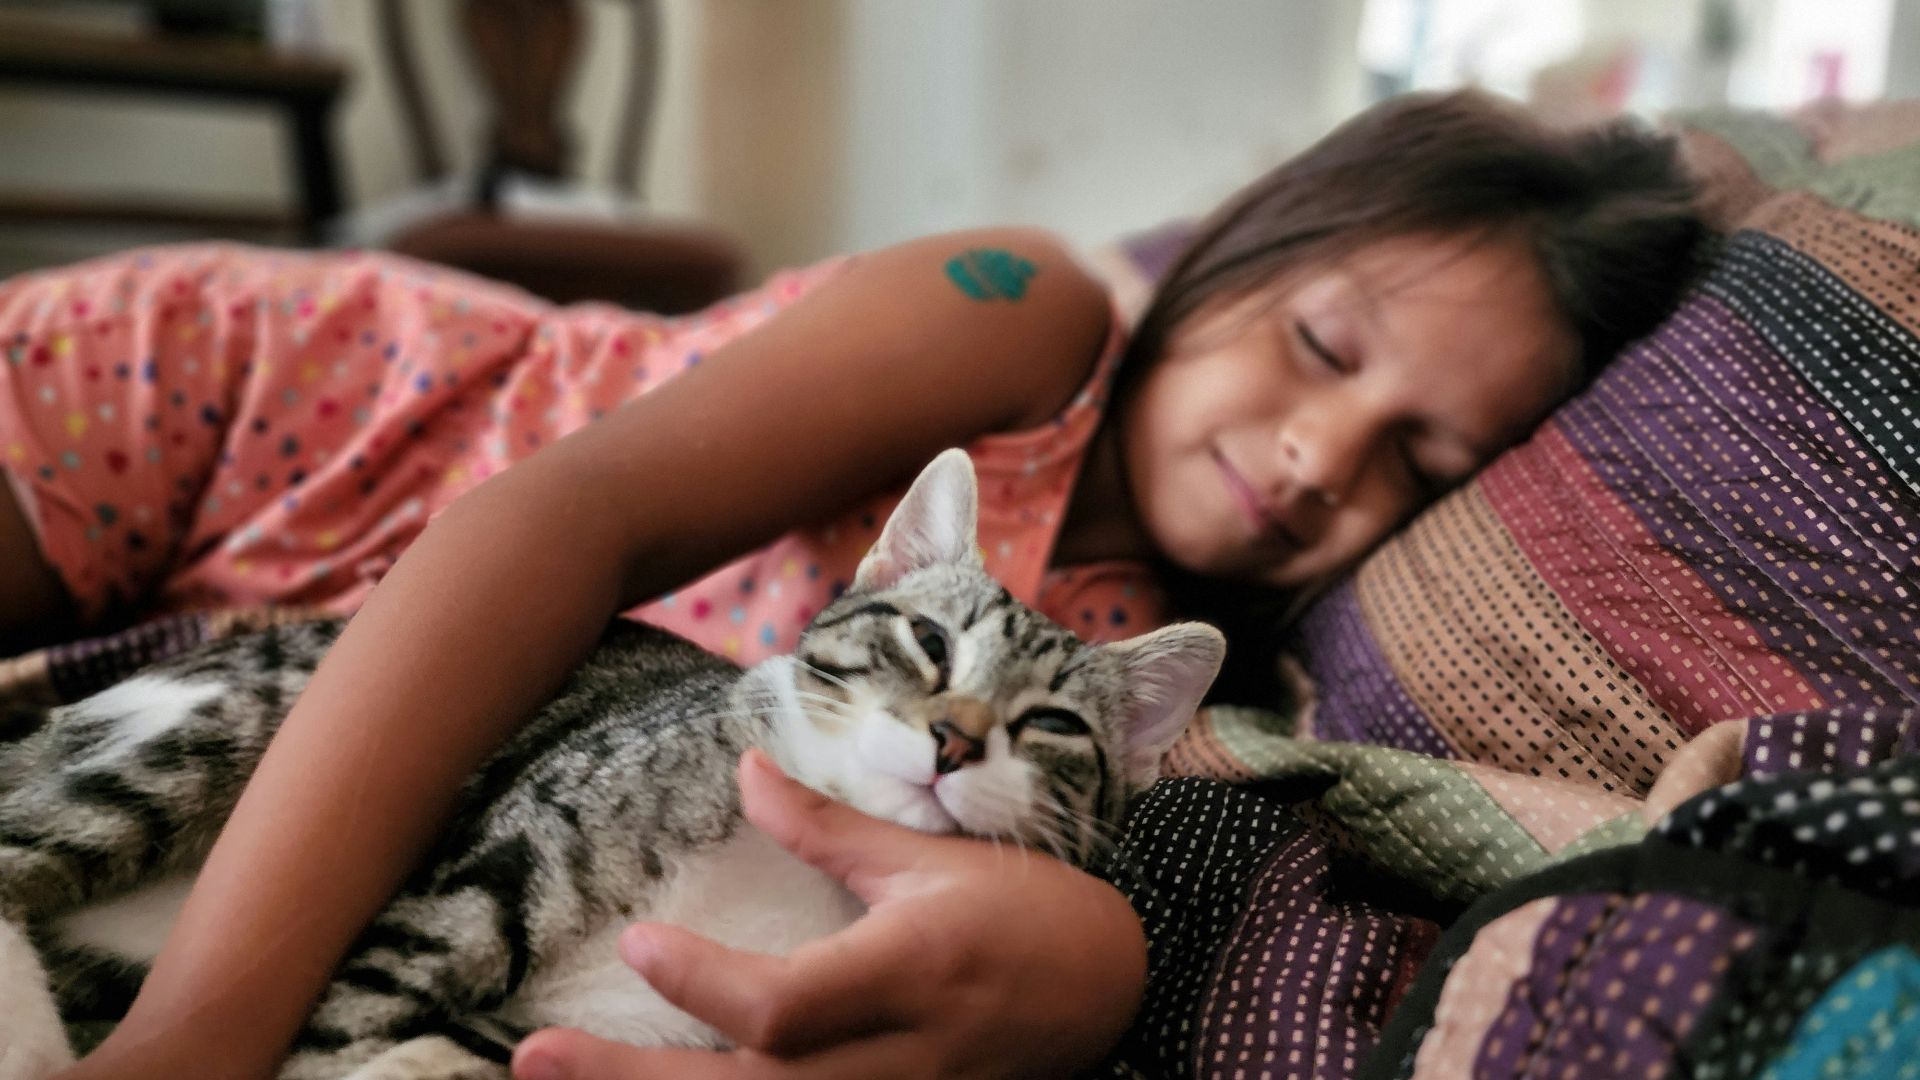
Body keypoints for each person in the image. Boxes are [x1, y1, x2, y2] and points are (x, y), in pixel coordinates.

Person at [0, 90, 1704, 1080]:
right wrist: (205, 1035)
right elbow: (559, 521)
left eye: (1423, 460)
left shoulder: (1143, 666)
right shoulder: (1024, 317)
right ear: (1239, 256)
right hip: (243, 418)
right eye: (1325, 345)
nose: (1330, 454)